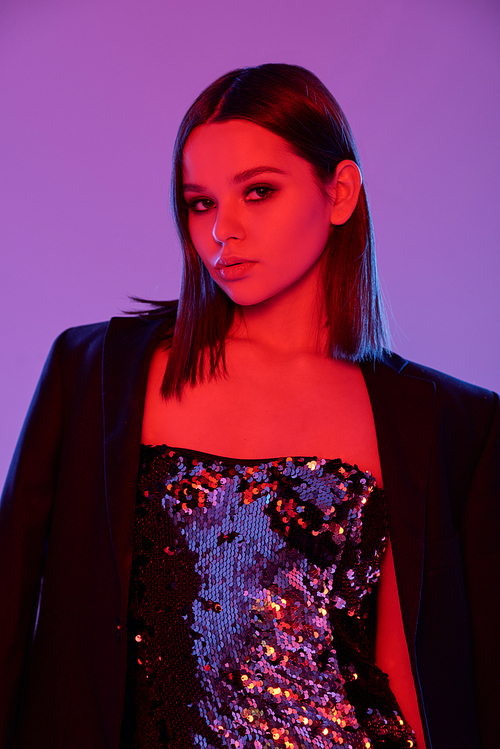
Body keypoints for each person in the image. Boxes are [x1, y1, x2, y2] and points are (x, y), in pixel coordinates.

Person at [0, 64, 498, 749]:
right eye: (200, 202)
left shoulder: (450, 421)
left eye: (258, 191)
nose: (220, 231)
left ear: (340, 192)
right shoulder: (95, 374)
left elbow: (423, 677)